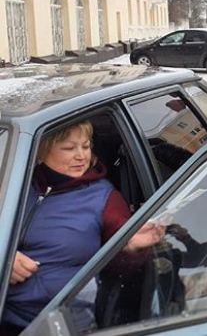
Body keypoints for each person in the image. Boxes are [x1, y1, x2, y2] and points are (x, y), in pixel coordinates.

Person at [1, 121, 165, 334]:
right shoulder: (14, 185)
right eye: (69, 148)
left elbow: (120, 275)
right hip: (6, 315)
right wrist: (5, 258)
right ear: (39, 152)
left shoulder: (105, 199)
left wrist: (131, 248)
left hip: (58, 323)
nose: (81, 156)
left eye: (85, 146)